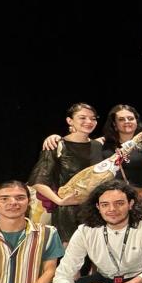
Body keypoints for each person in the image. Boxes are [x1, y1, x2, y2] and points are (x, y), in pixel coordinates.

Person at [52, 180, 142, 283]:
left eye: (119, 203)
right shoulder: (85, 230)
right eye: (105, 205)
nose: (112, 209)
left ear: (130, 204)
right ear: (98, 207)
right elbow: (62, 275)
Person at [28, 103, 101, 241]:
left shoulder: (98, 146)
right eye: (82, 118)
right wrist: (60, 201)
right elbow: (38, 181)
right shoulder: (56, 145)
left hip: (95, 211)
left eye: (93, 118)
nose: (89, 122)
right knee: (71, 257)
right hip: (68, 213)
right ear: (70, 121)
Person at [100, 105, 142, 199]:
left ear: (136, 121)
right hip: (109, 201)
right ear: (114, 124)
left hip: (138, 200)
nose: (127, 121)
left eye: (130, 118)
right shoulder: (102, 144)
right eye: (121, 119)